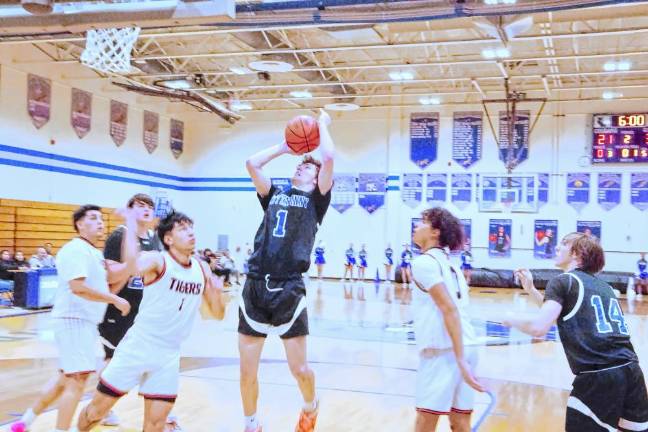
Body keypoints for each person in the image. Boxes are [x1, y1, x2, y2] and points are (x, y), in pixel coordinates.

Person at [77, 209, 226, 432]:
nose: (191, 233)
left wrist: (216, 294)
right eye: (183, 229)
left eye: (191, 227)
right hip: (139, 346)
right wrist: (129, 225)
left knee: (156, 424)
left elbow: (217, 314)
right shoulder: (157, 260)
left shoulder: (202, 268)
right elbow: (130, 267)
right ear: (168, 239)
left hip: (169, 354)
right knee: (95, 412)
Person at [240, 109, 334, 432]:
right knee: (247, 371)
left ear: (317, 177)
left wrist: (321, 126)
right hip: (255, 284)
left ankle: (310, 406)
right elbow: (252, 164)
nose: (300, 165)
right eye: (301, 162)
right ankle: (251, 424)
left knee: (300, 369)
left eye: (308, 165)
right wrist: (284, 146)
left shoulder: (316, 202)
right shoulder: (275, 194)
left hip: (289, 289)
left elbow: (330, 156)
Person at [504, 232, 648, 432]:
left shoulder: (563, 281)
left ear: (577, 253)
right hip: (632, 371)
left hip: (598, 377)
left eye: (563, 244)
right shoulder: (603, 286)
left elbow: (539, 327)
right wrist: (531, 289)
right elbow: (562, 314)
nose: (556, 247)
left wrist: (509, 318)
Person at [11, 205, 130, 432]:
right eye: (93, 219)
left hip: (83, 322)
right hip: (74, 320)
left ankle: (23, 422)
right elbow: (77, 287)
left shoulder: (95, 253)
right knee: (78, 380)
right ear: (79, 224)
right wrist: (114, 300)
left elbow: (110, 279)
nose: (100, 223)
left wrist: (133, 259)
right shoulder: (75, 249)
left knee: (64, 380)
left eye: (101, 220)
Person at [97, 193, 179, 428]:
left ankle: (163, 416)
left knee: (150, 360)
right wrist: (134, 265)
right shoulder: (120, 236)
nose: (145, 209)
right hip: (118, 310)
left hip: (144, 312)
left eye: (149, 206)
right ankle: (101, 406)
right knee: (112, 358)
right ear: (130, 210)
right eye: (139, 205)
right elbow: (111, 275)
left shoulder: (154, 239)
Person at [410, 207, 485, 432]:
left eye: (422, 222)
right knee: (460, 420)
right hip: (467, 344)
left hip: (445, 350)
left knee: (426, 419)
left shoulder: (424, 262)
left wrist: (459, 358)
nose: (416, 226)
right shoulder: (452, 264)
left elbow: (449, 309)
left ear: (435, 232)